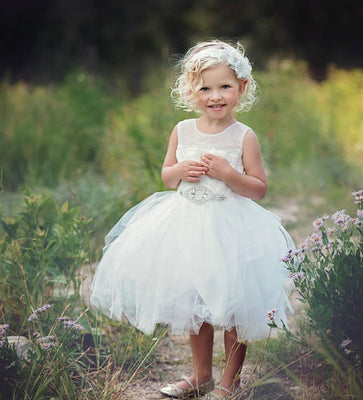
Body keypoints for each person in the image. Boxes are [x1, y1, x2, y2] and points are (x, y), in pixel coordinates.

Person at [90, 39, 294, 399]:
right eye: (205, 88)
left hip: (231, 228)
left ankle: (230, 383)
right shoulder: (183, 130)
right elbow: (167, 177)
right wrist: (181, 169)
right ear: (190, 91)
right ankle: (201, 377)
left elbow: (258, 188)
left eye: (225, 87)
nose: (215, 96)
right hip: (186, 226)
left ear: (242, 88)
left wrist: (229, 174)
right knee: (196, 302)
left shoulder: (244, 136)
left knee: (234, 305)